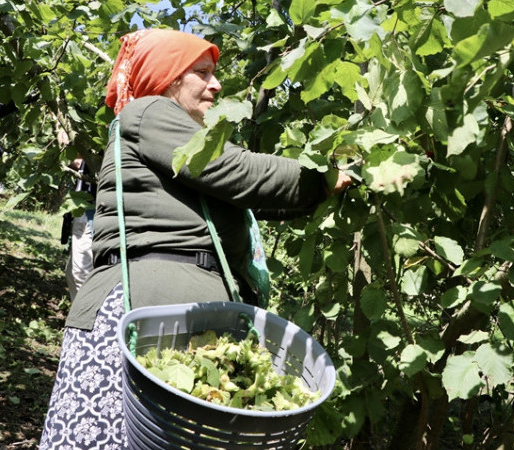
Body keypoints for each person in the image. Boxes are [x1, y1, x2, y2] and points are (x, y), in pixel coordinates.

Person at [39, 28, 352, 448]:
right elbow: (237, 173)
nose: (216, 85)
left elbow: (252, 199)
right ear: (168, 79)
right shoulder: (149, 112)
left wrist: (336, 186)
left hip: (167, 315)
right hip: (140, 314)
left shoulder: (179, 142)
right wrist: (322, 177)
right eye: (202, 73)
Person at [61, 154, 96, 300]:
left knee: (82, 274)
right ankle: (79, 317)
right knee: (72, 273)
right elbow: (77, 162)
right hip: (83, 212)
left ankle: (89, 320)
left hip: (90, 213)